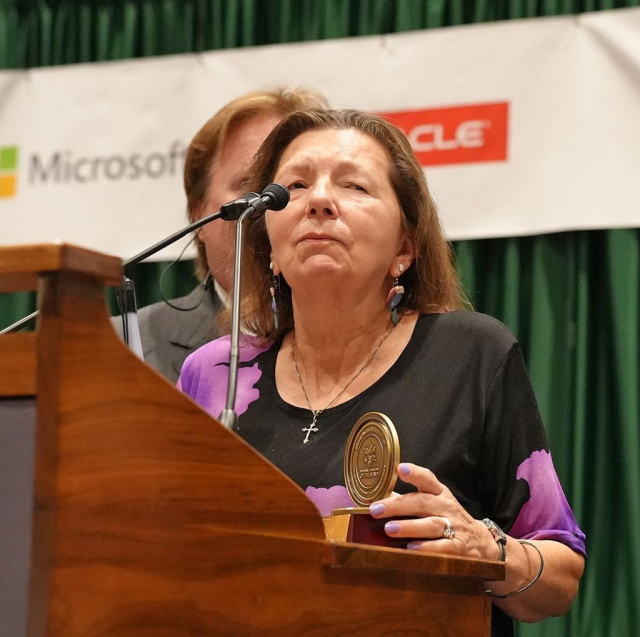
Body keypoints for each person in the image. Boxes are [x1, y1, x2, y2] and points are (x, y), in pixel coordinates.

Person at [177, 109, 586, 635]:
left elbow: (562, 579)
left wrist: (489, 549)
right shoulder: (215, 373)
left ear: (404, 248)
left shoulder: (470, 356)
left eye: (354, 187)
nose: (318, 200)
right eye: (295, 185)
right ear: (269, 246)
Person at [120, 87, 329, 383]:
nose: (270, 204)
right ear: (199, 215)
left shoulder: (372, 338)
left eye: (291, 185)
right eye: (248, 184)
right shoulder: (129, 343)